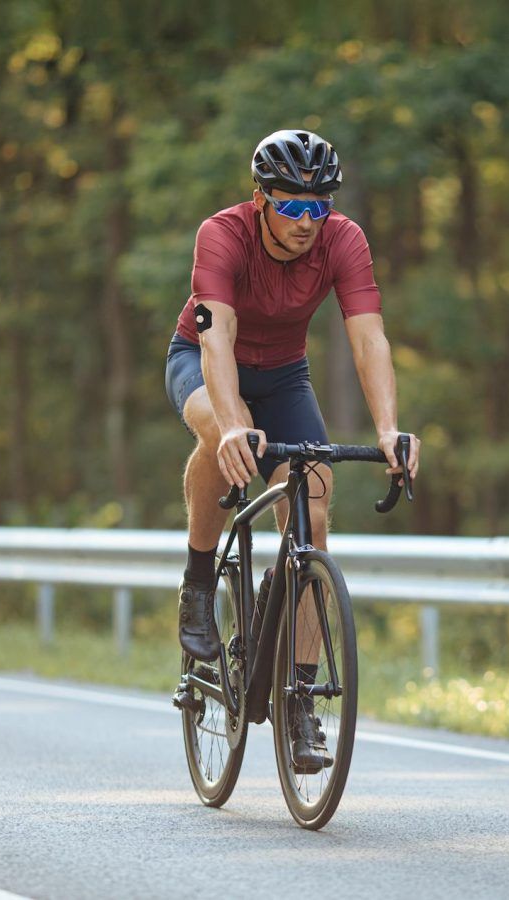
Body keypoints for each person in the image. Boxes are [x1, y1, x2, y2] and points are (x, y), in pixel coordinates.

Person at [165, 129, 421, 770]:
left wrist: (388, 428)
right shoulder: (221, 234)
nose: (309, 220)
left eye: (320, 206)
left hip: (284, 375)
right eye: (293, 206)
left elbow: (369, 339)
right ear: (261, 200)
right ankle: (199, 581)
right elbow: (216, 338)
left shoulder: (344, 239)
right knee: (223, 434)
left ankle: (300, 700)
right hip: (203, 364)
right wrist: (228, 424)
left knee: (315, 504)